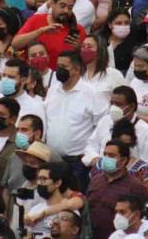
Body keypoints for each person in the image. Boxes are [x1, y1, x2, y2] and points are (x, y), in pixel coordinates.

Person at [44, 51, 105, 191]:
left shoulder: (92, 93)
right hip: (53, 159)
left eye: (64, 66)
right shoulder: (53, 90)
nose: (59, 70)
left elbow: (102, 126)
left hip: (78, 163)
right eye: (58, 66)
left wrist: (92, 154)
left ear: (77, 70)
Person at [82, 86, 148, 171]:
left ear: (132, 106)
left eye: (118, 104)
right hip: (102, 174)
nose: (114, 108)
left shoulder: (145, 131)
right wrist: (96, 160)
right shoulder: (105, 121)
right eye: (112, 103)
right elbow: (91, 145)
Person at [13, 0, 86, 69]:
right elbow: (15, 44)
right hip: (34, 75)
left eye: (70, 7)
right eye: (62, 6)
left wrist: (79, 49)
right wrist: (40, 31)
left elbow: (85, 63)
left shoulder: (78, 31)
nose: (66, 11)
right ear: (52, 4)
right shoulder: (36, 20)